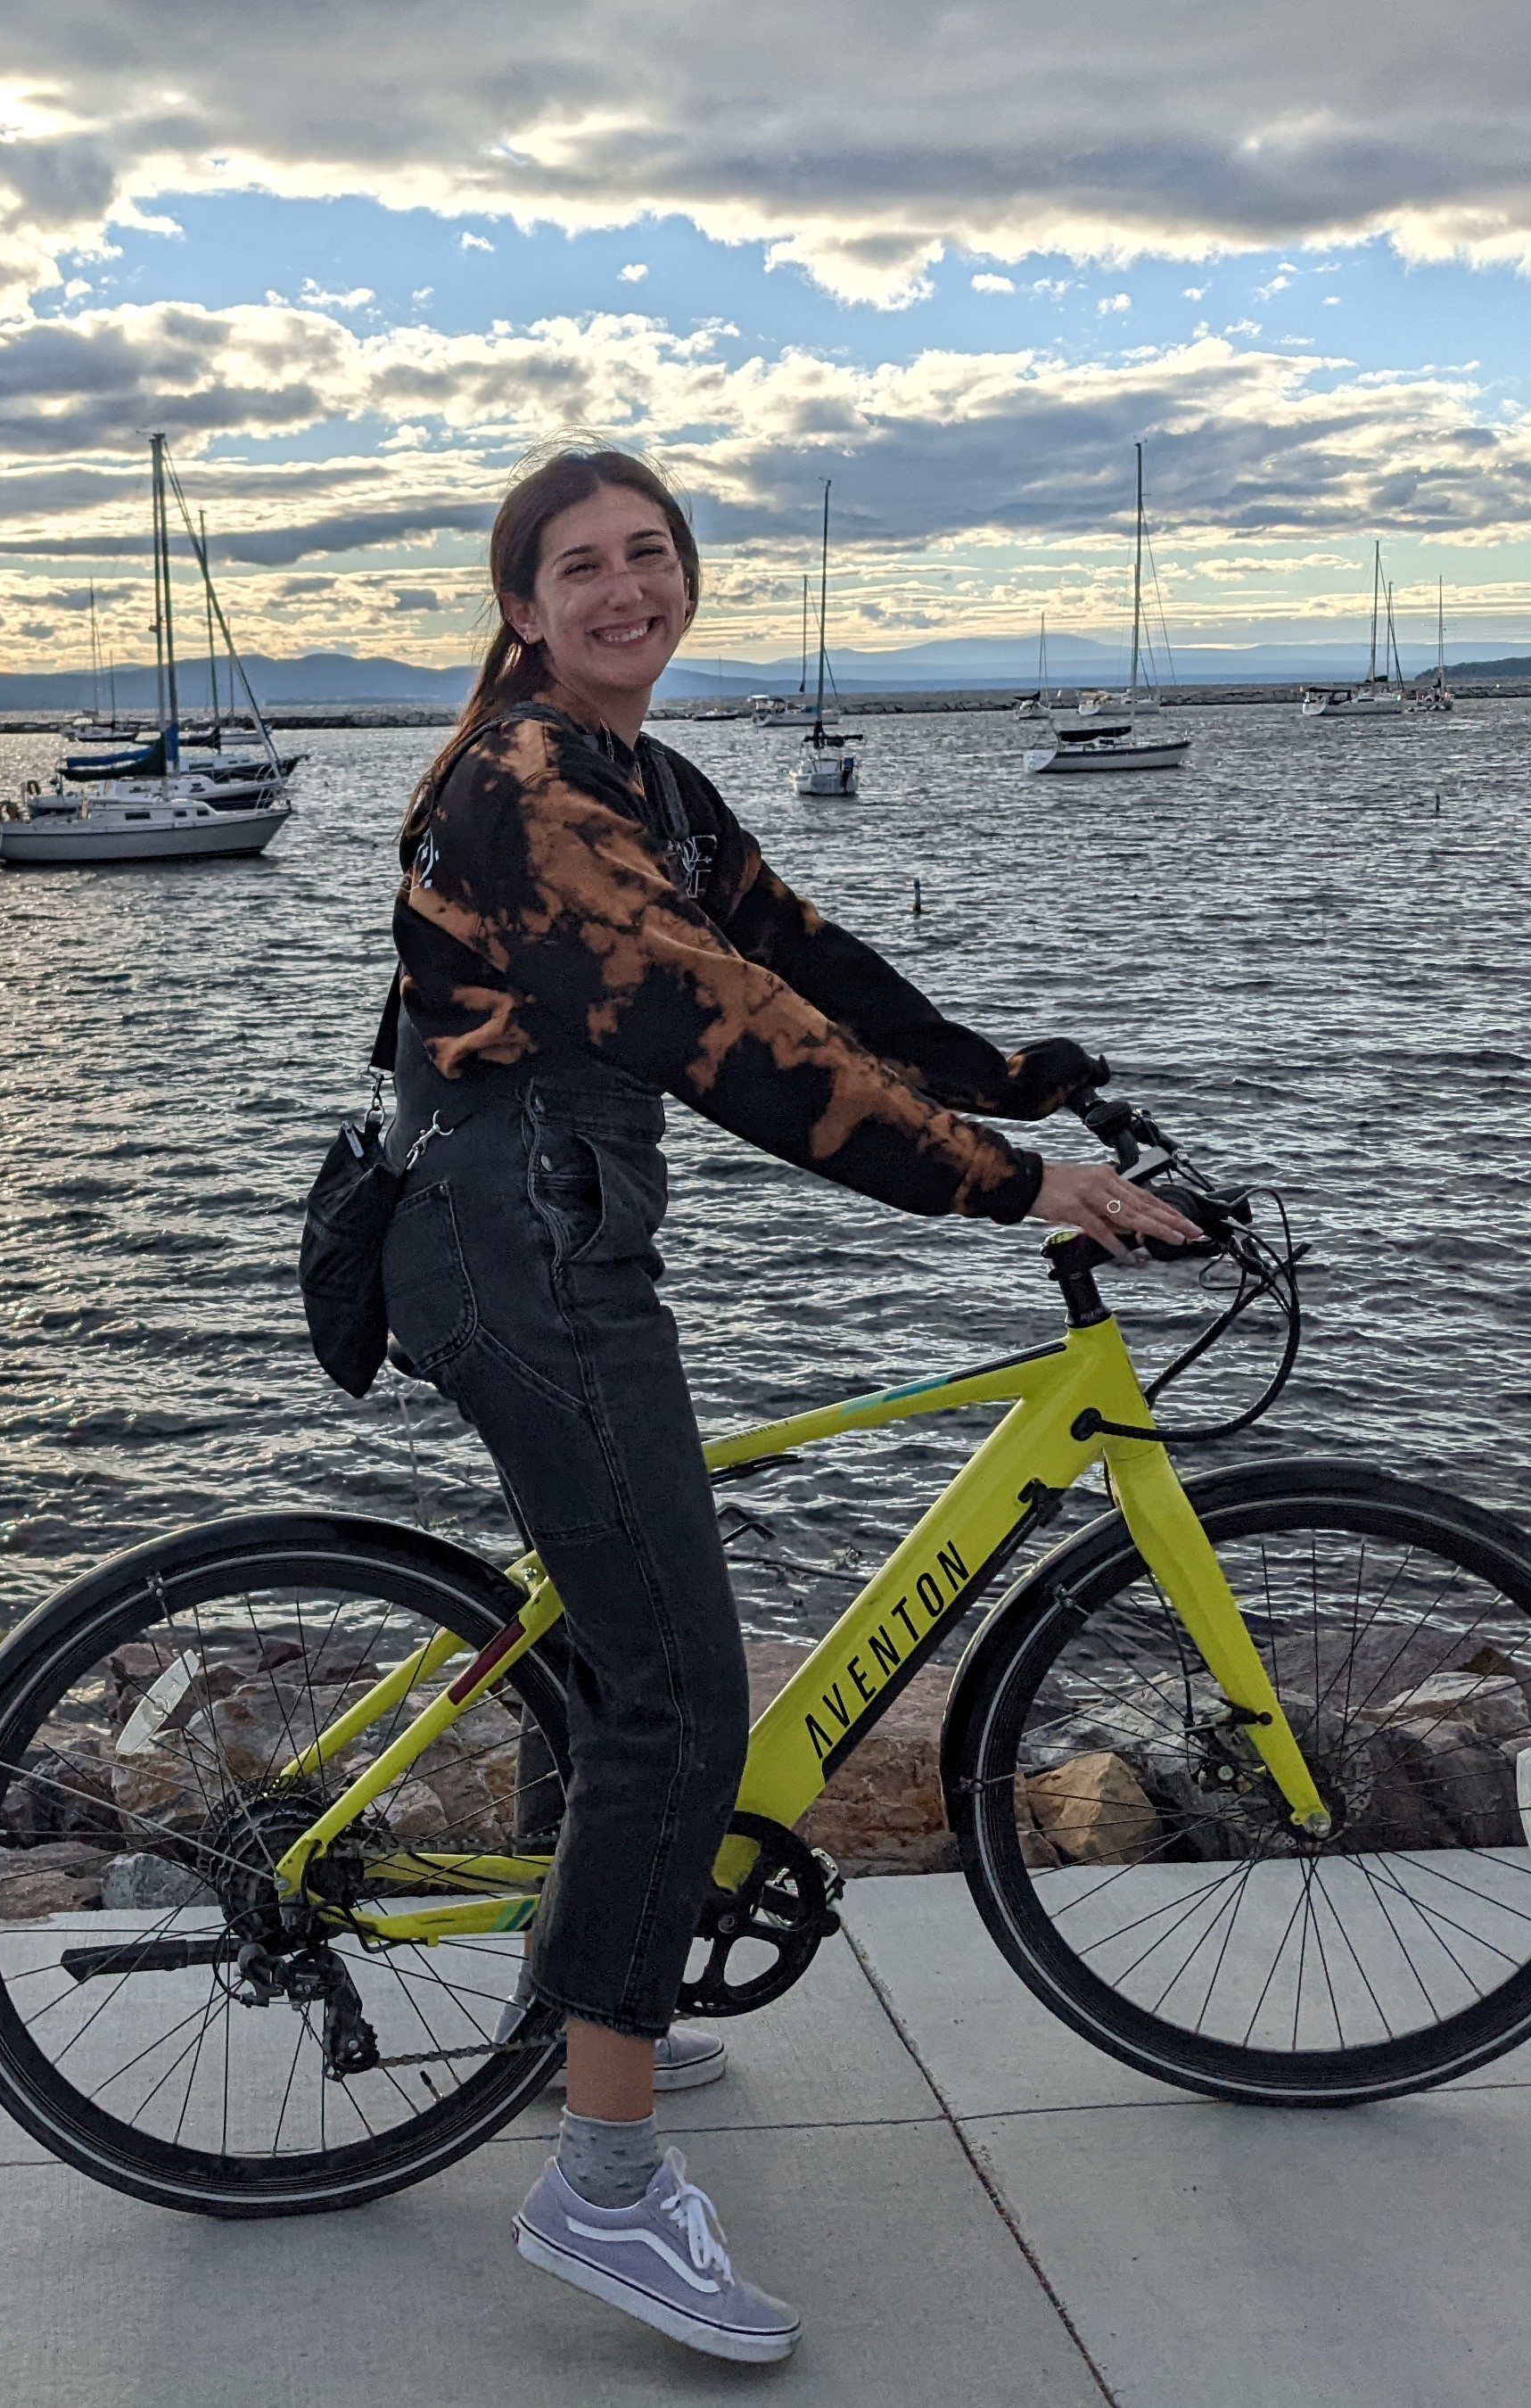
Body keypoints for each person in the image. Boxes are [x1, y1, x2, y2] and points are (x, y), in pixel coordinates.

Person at [380, 447, 1197, 2364]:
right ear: (519, 609)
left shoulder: (641, 776)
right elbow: (717, 1031)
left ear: (684, 582)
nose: (618, 589)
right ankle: (599, 2183)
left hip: (549, 1227)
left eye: (646, 556)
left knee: (618, 1650)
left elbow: (800, 962)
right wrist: (1002, 1183)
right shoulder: (524, 788)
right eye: (574, 567)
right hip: (522, 1251)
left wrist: (1021, 1075)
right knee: (680, 1687)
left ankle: (588, 1995)